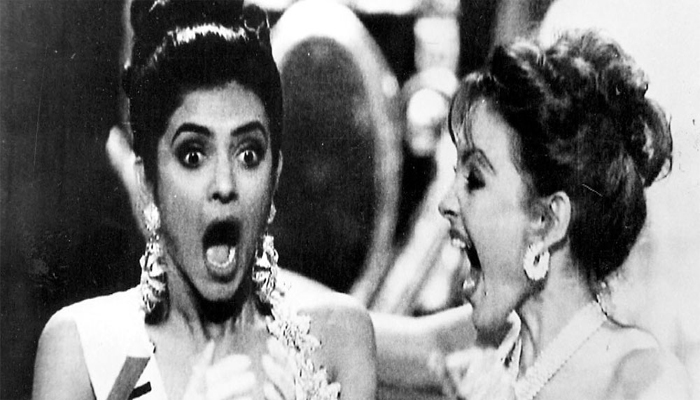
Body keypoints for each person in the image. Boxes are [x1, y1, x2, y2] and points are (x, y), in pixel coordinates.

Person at [32, 1, 375, 399]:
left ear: (275, 175)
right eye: (193, 155)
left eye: (249, 154)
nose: (225, 184)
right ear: (147, 181)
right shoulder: (80, 349)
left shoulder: (338, 340)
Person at [436, 30, 691, 399]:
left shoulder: (646, 380)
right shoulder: (486, 353)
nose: (446, 203)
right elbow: (354, 328)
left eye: (474, 179)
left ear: (547, 222)